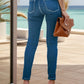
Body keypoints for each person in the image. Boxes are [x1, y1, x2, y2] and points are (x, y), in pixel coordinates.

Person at [22, 0, 69, 84]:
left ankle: (26, 81)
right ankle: (51, 80)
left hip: (34, 5)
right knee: (52, 43)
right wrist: (63, 10)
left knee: (31, 43)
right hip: (51, 4)